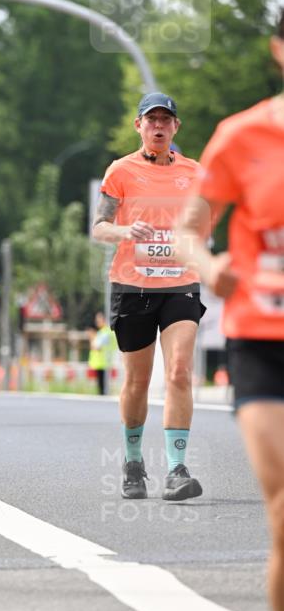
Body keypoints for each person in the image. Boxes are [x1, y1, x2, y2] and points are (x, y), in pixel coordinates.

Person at [176, 10, 284, 611]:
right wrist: (209, 264)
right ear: (278, 51)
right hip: (264, 342)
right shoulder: (242, 137)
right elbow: (191, 228)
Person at [92, 92, 205, 501]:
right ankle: (134, 462)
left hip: (180, 285)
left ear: (176, 127)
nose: (158, 126)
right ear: (138, 126)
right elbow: (98, 227)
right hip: (133, 286)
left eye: (166, 120)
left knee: (178, 370)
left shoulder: (195, 174)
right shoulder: (120, 171)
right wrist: (125, 232)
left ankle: (177, 468)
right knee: (138, 381)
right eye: (151, 119)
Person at [88, 310, 116, 395]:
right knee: (103, 387)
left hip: (102, 363)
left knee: (102, 389)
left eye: (98, 320)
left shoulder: (104, 333)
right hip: (104, 362)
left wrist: (91, 337)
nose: (97, 323)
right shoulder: (106, 332)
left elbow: (96, 347)